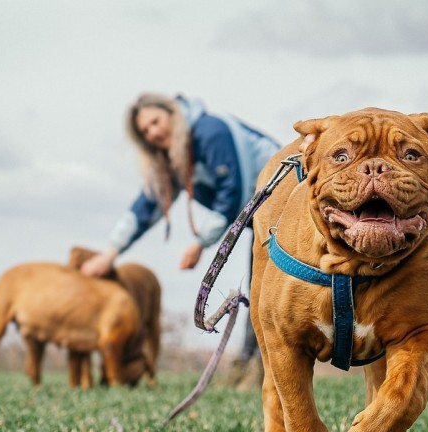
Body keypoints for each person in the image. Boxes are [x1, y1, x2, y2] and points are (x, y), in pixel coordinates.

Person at [81, 93, 279, 387]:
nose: (153, 133)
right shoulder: (176, 158)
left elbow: (233, 191)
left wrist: (201, 243)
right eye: (145, 132)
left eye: (155, 122)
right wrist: (111, 252)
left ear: (172, 114)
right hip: (261, 219)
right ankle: (250, 366)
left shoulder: (211, 132)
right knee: (259, 286)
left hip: (286, 204)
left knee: (265, 287)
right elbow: (148, 204)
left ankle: (257, 368)